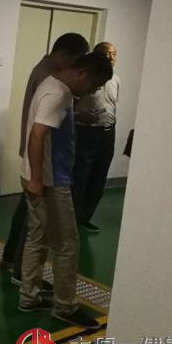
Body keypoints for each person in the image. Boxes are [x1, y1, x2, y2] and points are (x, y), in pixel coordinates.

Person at [18, 51, 112, 328]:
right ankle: (65, 306)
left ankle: (29, 296)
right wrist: (38, 179)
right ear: (81, 73)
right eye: (94, 85)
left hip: (37, 175)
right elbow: (37, 134)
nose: (92, 91)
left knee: (37, 238)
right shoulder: (58, 95)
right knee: (67, 245)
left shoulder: (50, 83)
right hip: (50, 181)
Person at [2, 33, 90, 279]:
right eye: (77, 59)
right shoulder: (51, 80)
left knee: (29, 218)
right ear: (64, 55)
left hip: (39, 159)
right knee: (36, 227)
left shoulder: (45, 72)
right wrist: (37, 178)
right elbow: (40, 130)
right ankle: (21, 270)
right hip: (42, 161)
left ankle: (14, 261)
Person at [72, 42, 120, 232]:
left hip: (108, 132)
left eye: (114, 54)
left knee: (99, 177)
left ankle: (85, 217)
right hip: (86, 131)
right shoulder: (86, 80)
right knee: (80, 176)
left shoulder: (115, 79)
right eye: (108, 54)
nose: (112, 58)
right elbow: (70, 103)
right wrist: (79, 115)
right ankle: (72, 218)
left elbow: (113, 104)